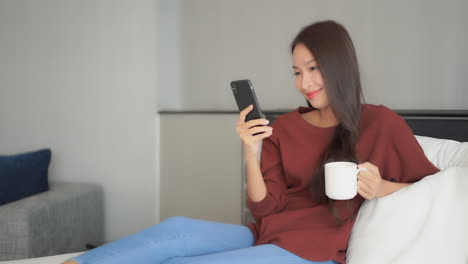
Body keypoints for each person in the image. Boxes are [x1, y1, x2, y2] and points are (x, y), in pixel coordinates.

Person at [64, 20, 439, 264]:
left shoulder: (380, 123)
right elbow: (264, 208)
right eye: (296, 72)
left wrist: (383, 187)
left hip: (312, 252)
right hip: (265, 232)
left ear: (339, 66)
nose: (303, 83)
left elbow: (433, 188)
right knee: (174, 229)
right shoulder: (287, 127)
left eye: (313, 68)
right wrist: (250, 150)